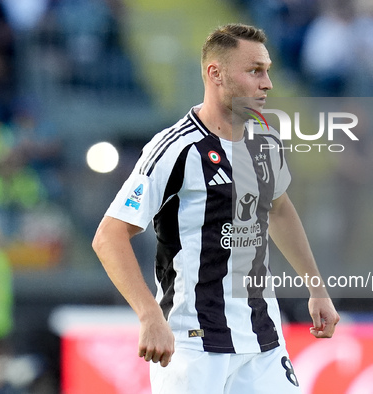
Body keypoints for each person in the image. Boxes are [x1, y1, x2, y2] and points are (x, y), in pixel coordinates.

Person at [92, 23, 339, 393]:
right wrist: (149, 314)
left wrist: (316, 288)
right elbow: (109, 235)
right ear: (216, 74)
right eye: (255, 70)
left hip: (262, 339)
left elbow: (280, 208)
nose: (267, 83)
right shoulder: (176, 148)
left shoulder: (266, 140)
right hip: (193, 344)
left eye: (267, 70)